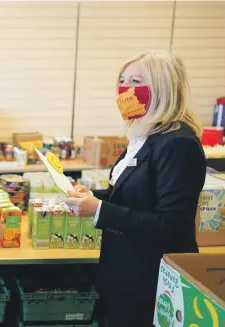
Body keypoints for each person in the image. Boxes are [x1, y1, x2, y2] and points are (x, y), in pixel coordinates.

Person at [65, 51, 205, 327]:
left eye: (136, 81)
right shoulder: (143, 136)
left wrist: (101, 210)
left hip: (150, 279)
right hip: (124, 271)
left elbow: (172, 224)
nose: (125, 89)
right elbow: (134, 197)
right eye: (122, 80)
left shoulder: (178, 144)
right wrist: (94, 198)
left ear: (162, 88)